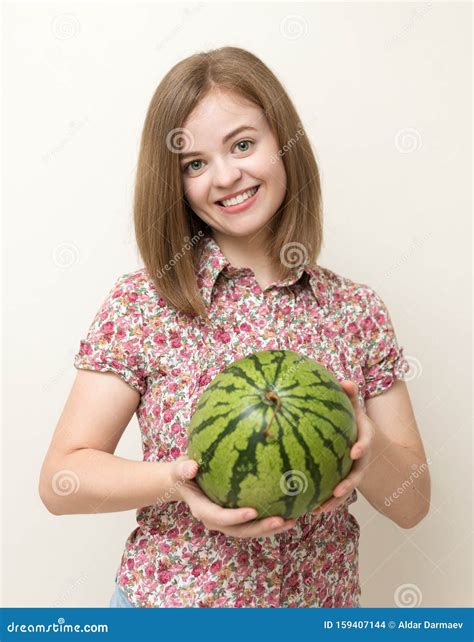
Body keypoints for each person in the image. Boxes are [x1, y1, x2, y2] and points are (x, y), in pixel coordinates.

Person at [38, 46, 431, 608]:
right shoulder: (143, 304)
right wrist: (176, 482)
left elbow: (413, 504)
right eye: (194, 163)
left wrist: (364, 447)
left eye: (243, 144)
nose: (226, 176)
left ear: (283, 142)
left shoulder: (355, 310)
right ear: (174, 182)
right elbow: (60, 481)